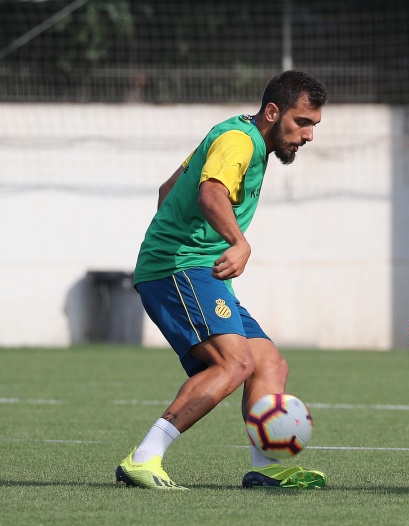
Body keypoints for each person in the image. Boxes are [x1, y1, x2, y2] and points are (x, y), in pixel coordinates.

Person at [115, 70, 329, 490]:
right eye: (302, 122)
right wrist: (235, 242)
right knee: (235, 362)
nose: (308, 136)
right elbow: (210, 192)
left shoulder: (236, 135)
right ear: (273, 111)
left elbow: (169, 188)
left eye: (314, 126)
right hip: (176, 270)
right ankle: (143, 457)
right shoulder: (238, 141)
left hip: (196, 271)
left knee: (269, 362)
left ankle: (266, 467)